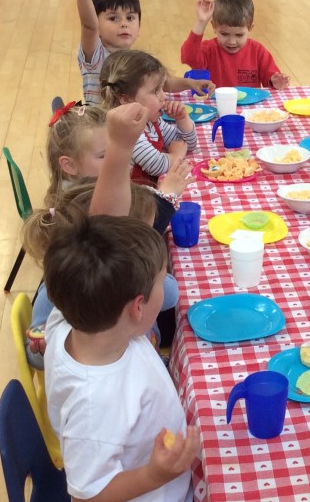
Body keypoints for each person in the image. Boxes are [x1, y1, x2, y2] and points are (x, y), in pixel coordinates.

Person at [43, 212, 214, 502]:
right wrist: (156, 473)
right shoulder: (98, 400)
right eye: (163, 283)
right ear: (138, 307)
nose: (168, 288)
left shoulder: (71, 321)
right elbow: (88, 491)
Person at [24, 105, 191, 367]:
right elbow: (168, 293)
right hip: (127, 370)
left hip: (142, 358)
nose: (124, 164)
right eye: (105, 155)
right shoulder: (65, 286)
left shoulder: (91, 239)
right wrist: (45, 345)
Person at [73, 0, 211, 105]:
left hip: (132, 119)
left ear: (139, 27)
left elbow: (161, 83)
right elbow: (89, 26)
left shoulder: (137, 60)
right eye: (113, 18)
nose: (124, 24)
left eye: (130, 18)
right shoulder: (95, 55)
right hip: (100, 121)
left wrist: (190, 83)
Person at [100, 50, 198, 185]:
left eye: (162, 89)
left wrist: (182, 119)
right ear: (126, 99)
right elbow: (157, 166)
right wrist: (177, 155)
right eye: (155, 91)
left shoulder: (150, 121)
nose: (164, 96)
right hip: (133, 195)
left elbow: (186, 144)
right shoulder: (126, 132)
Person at [179, 0, 290, 89]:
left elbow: (271, 81)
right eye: (224, 34)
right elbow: (188, 57)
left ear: (250, 29)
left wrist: (275, 81)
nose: (232, 42)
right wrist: (201, 22)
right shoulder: (208, 50)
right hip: (216, 103)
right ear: (214, 27)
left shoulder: (258, 51)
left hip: (250, 104)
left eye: (239, 35)